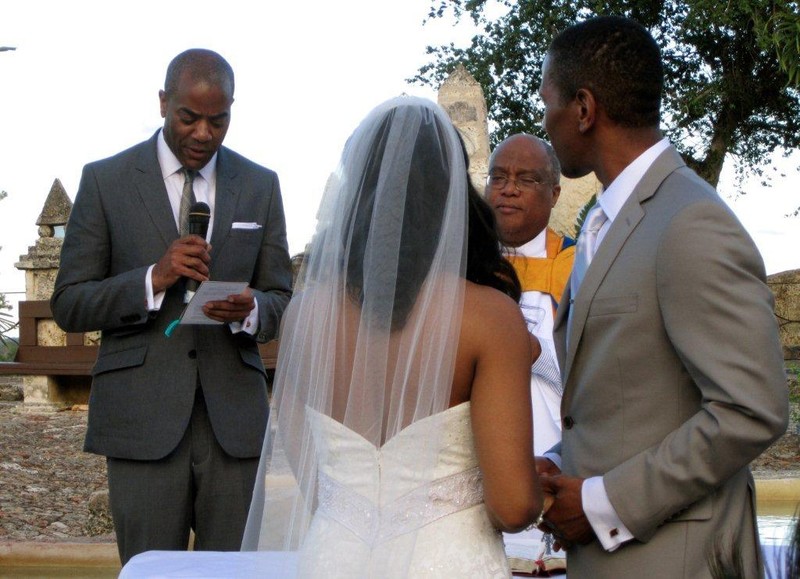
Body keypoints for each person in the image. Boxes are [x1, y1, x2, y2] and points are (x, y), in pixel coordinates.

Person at [241, 96, 544, 577]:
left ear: (357, 192)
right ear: (452, 193)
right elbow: (512, 506)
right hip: (446, 563)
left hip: (334, 560)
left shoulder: (304, 316)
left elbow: (318, 488)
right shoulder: (489, 318)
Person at [534, 16, 789, 578]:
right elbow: (622, 402)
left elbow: (752, 409)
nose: (544, 121)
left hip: (675, 560)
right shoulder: (602, 220)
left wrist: (603, 503)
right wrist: (557, 462)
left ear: (583, 108)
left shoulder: (690, 222)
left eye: (547, 103)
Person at [51, 48, 293, 564]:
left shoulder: (261, 185)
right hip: (140, 420)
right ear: (163, 103)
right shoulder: (106, 181)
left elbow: (281, 297)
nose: (203, 133)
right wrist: (152, 279)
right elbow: (69, 303)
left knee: (236, 574)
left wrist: (252, 310)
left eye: (218, 120)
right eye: (189, 117)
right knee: (150, 571)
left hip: (234, 424)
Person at [486, 134, 573, 570]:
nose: (509, 189)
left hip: (553, 465)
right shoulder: (466, 266)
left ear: (554, 193)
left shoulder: (578, 267)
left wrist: (534, 353)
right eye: (498, 177)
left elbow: (596, 379)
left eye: (525, 179)